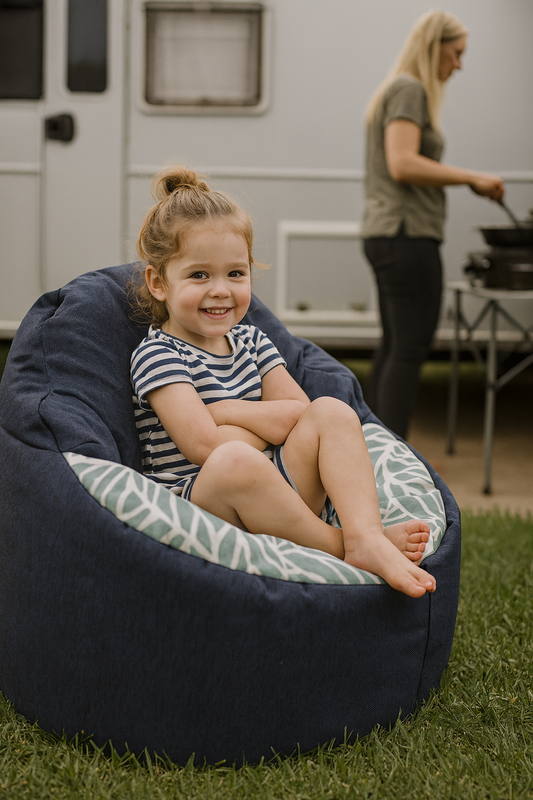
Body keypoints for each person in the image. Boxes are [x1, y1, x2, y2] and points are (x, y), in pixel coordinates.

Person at [129, 165, 436, 598]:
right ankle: (340, 545)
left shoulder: (253, 341)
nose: (221, 290)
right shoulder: (160, 354)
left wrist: (223, 412)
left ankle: (365, 534)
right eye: (200, 275)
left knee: (332, 410)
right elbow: (203, 447)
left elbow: (300, 413)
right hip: (209, 506)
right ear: (158, 283)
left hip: (283, 495)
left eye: (236, 273)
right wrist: (256, 428)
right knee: (234, 460)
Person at [361, 10, 504, 440]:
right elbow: (402, 163)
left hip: (387, 233)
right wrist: (471, 177)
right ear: (434, 45)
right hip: (407, 235)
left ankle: (372, 446)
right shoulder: (409, 89)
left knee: (393, 347)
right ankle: (395, 456)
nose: (458, 65)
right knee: (408, 349)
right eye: (456, 53)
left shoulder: (396, 88)